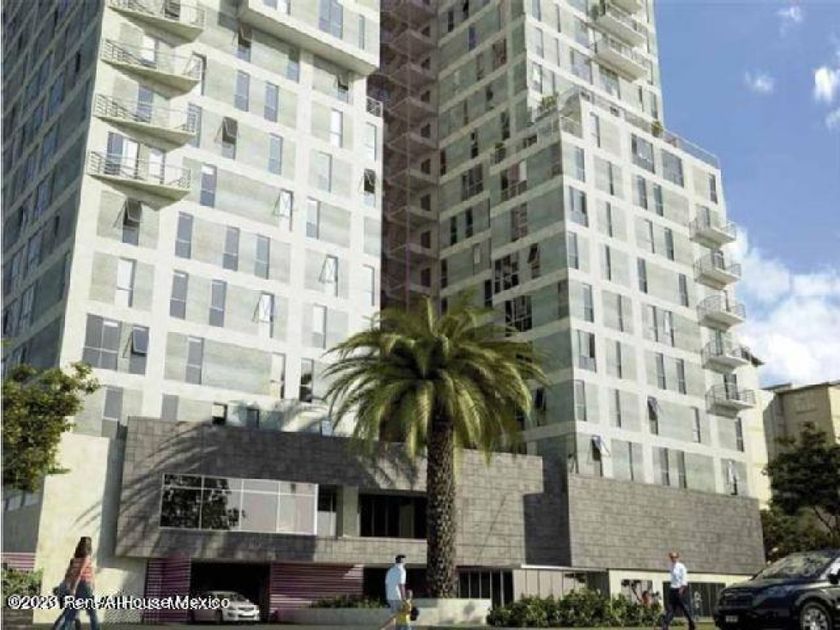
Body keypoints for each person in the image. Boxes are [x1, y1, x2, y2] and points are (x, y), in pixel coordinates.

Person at [61, 537, 100, 630]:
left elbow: (72, 573)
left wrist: (71, 585)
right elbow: (79, 572)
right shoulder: (86, 557)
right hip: (84, 585)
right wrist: (73, 588)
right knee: (92, 612)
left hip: (78, 585)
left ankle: (64, 628)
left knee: (72, 611)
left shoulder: (75, 559)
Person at [661, 551, 696, 630]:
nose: (673, 559)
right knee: (670, 609)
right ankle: (665, 626)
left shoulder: (681, 566)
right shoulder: (670, 566)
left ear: (678, 558)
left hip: (680, 589)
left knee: (684, 608)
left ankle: (692, 624)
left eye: (675, 557)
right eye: (671, 557)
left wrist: (682, 588)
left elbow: (684, 578)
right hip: (672, 589)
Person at [51, 559, 82, 630]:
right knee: (68, 614)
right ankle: (55, 628)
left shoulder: (71, 572)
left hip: (68, 595)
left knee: (76, 615)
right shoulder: (72, 573)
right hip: (68, 595)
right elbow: (68, 586)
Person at [384, 555, 407, 621]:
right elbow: (401, 585)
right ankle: (386, 626)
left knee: (393, 616)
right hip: (398, 597)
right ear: (402, 562)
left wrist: (387, 596)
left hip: (390, 596)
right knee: (399, 617)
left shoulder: (390, 570)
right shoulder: (402, 571)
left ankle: (390, 626)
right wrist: (404, 598)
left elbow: (386, 585)